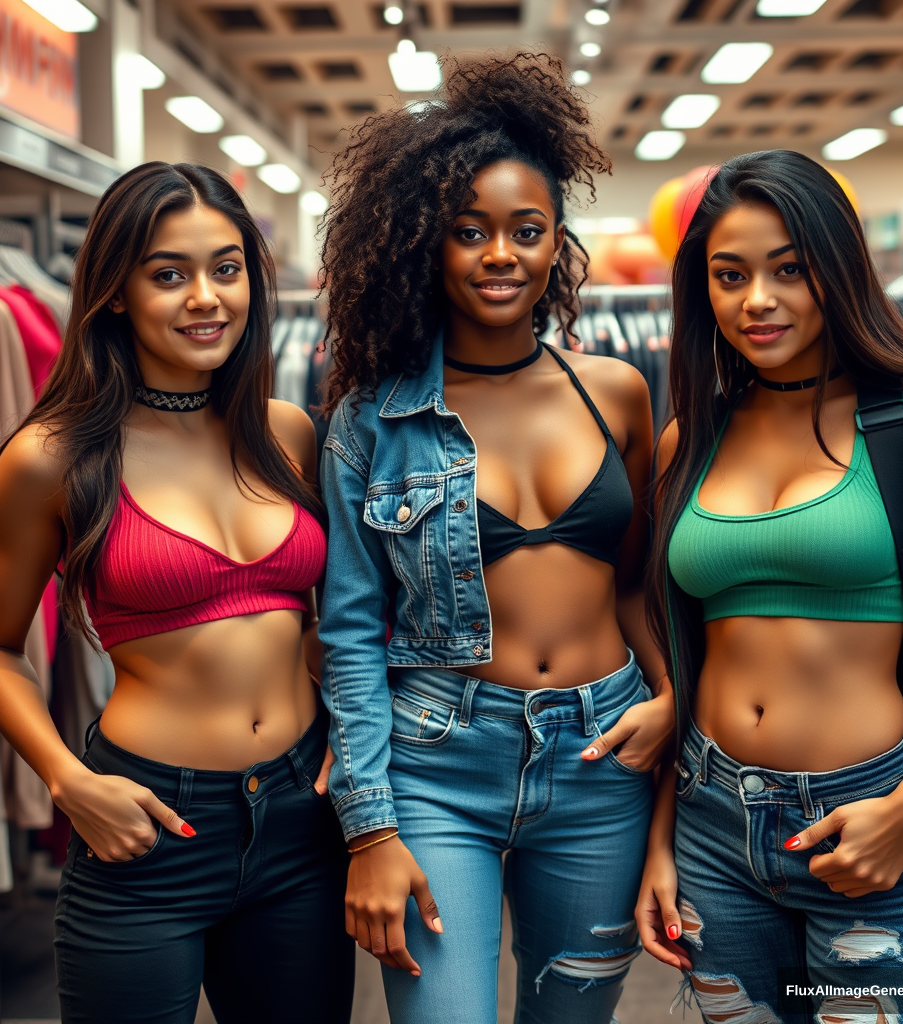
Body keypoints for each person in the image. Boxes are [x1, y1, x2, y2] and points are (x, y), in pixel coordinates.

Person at [317, 53, 673, 1024]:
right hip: (438, 763)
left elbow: (640, 584)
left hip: (602, 758)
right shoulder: (370, 419)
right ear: (426, 243)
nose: (499, 255)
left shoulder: (617, 395)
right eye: (468, 232)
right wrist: (369, 826)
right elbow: (348, 633)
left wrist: (674, 696)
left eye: (526, 230)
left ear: (557, 239)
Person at [0, 162, 354, 1024]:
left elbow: (318, 626)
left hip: (302, 817)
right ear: (115, 291)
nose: (205, 297)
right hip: (148, 825)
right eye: (168, 274)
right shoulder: (53, 458)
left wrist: (350, 737)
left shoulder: (287, 432)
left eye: (226, 269)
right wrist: (67, 781)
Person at [637, 150, 903, 1024]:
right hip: (711, 822)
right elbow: (685, 654)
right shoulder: (688, 439)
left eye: (789, 268)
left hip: (870, 820)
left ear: (838, 266)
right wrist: (659, 841)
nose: (758, 300)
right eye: (730, 275)